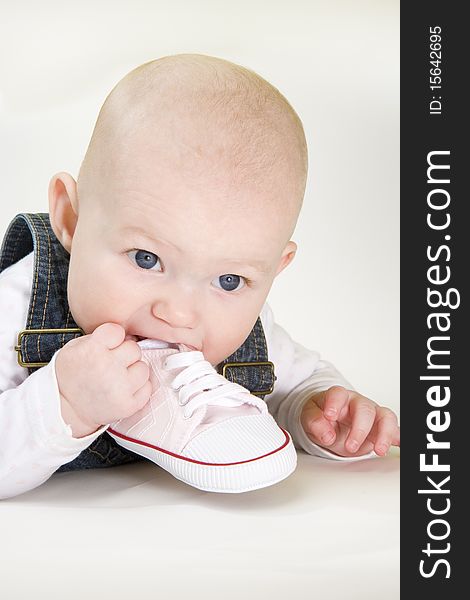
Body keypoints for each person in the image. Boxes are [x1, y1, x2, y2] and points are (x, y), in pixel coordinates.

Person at [0, 54, 400, 499]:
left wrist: (317, 411)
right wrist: (64, 404)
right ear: (71, 218)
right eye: (146, 259)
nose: (178, 313)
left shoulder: (249, 331)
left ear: (274, 271)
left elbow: (297, 382)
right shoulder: (16, 307)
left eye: (228, 281)